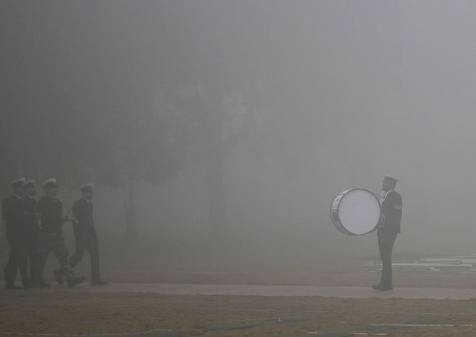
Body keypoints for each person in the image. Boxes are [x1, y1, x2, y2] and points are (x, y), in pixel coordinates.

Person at [31, 178, 85, 288]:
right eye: (50, 188)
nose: (53, 190)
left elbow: (57, 220)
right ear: (46, 190)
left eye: (54, 188)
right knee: (41, 259)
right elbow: (42, 218)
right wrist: (62, 219)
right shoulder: (42, 202)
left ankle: (71, 279)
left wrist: (66, 219)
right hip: (46, 235)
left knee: (64, 258)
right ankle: (37, 280)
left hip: (57, 235)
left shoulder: (58, 202)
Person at [69, 184, 107, 286]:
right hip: (81, 235)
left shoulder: (90, 204)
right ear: (83, 193)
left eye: (91, 192)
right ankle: (62, 270)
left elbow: (90, 221)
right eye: (88, 192)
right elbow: (74, 220)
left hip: (90, 234)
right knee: (78, 256)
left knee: (95, 255)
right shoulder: (77, 204)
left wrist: (93, 233)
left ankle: (96, 279)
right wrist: (78, 235)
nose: (90, 194)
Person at [373, 175, 402, 291]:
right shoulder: (384, 196)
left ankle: (386, 284)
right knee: (384, 258)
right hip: (382, 230)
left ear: (391, 184)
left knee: (386, 257)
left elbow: (397, 215)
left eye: (385, 183)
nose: (382, 184)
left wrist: (391, 231)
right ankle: (385, 283)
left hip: (389, 231)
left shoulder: (396, 196)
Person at [2, 178, 29, 289]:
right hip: (14, 234)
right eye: (19, 187)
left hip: (23, 234)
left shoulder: (24, 201)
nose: (21, 190)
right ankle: (23, 280)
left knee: (16, 257)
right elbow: (5, 216)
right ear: (15, 189)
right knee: (19, 257)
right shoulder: (7, 201)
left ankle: (10, 280)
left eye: (22, 188)